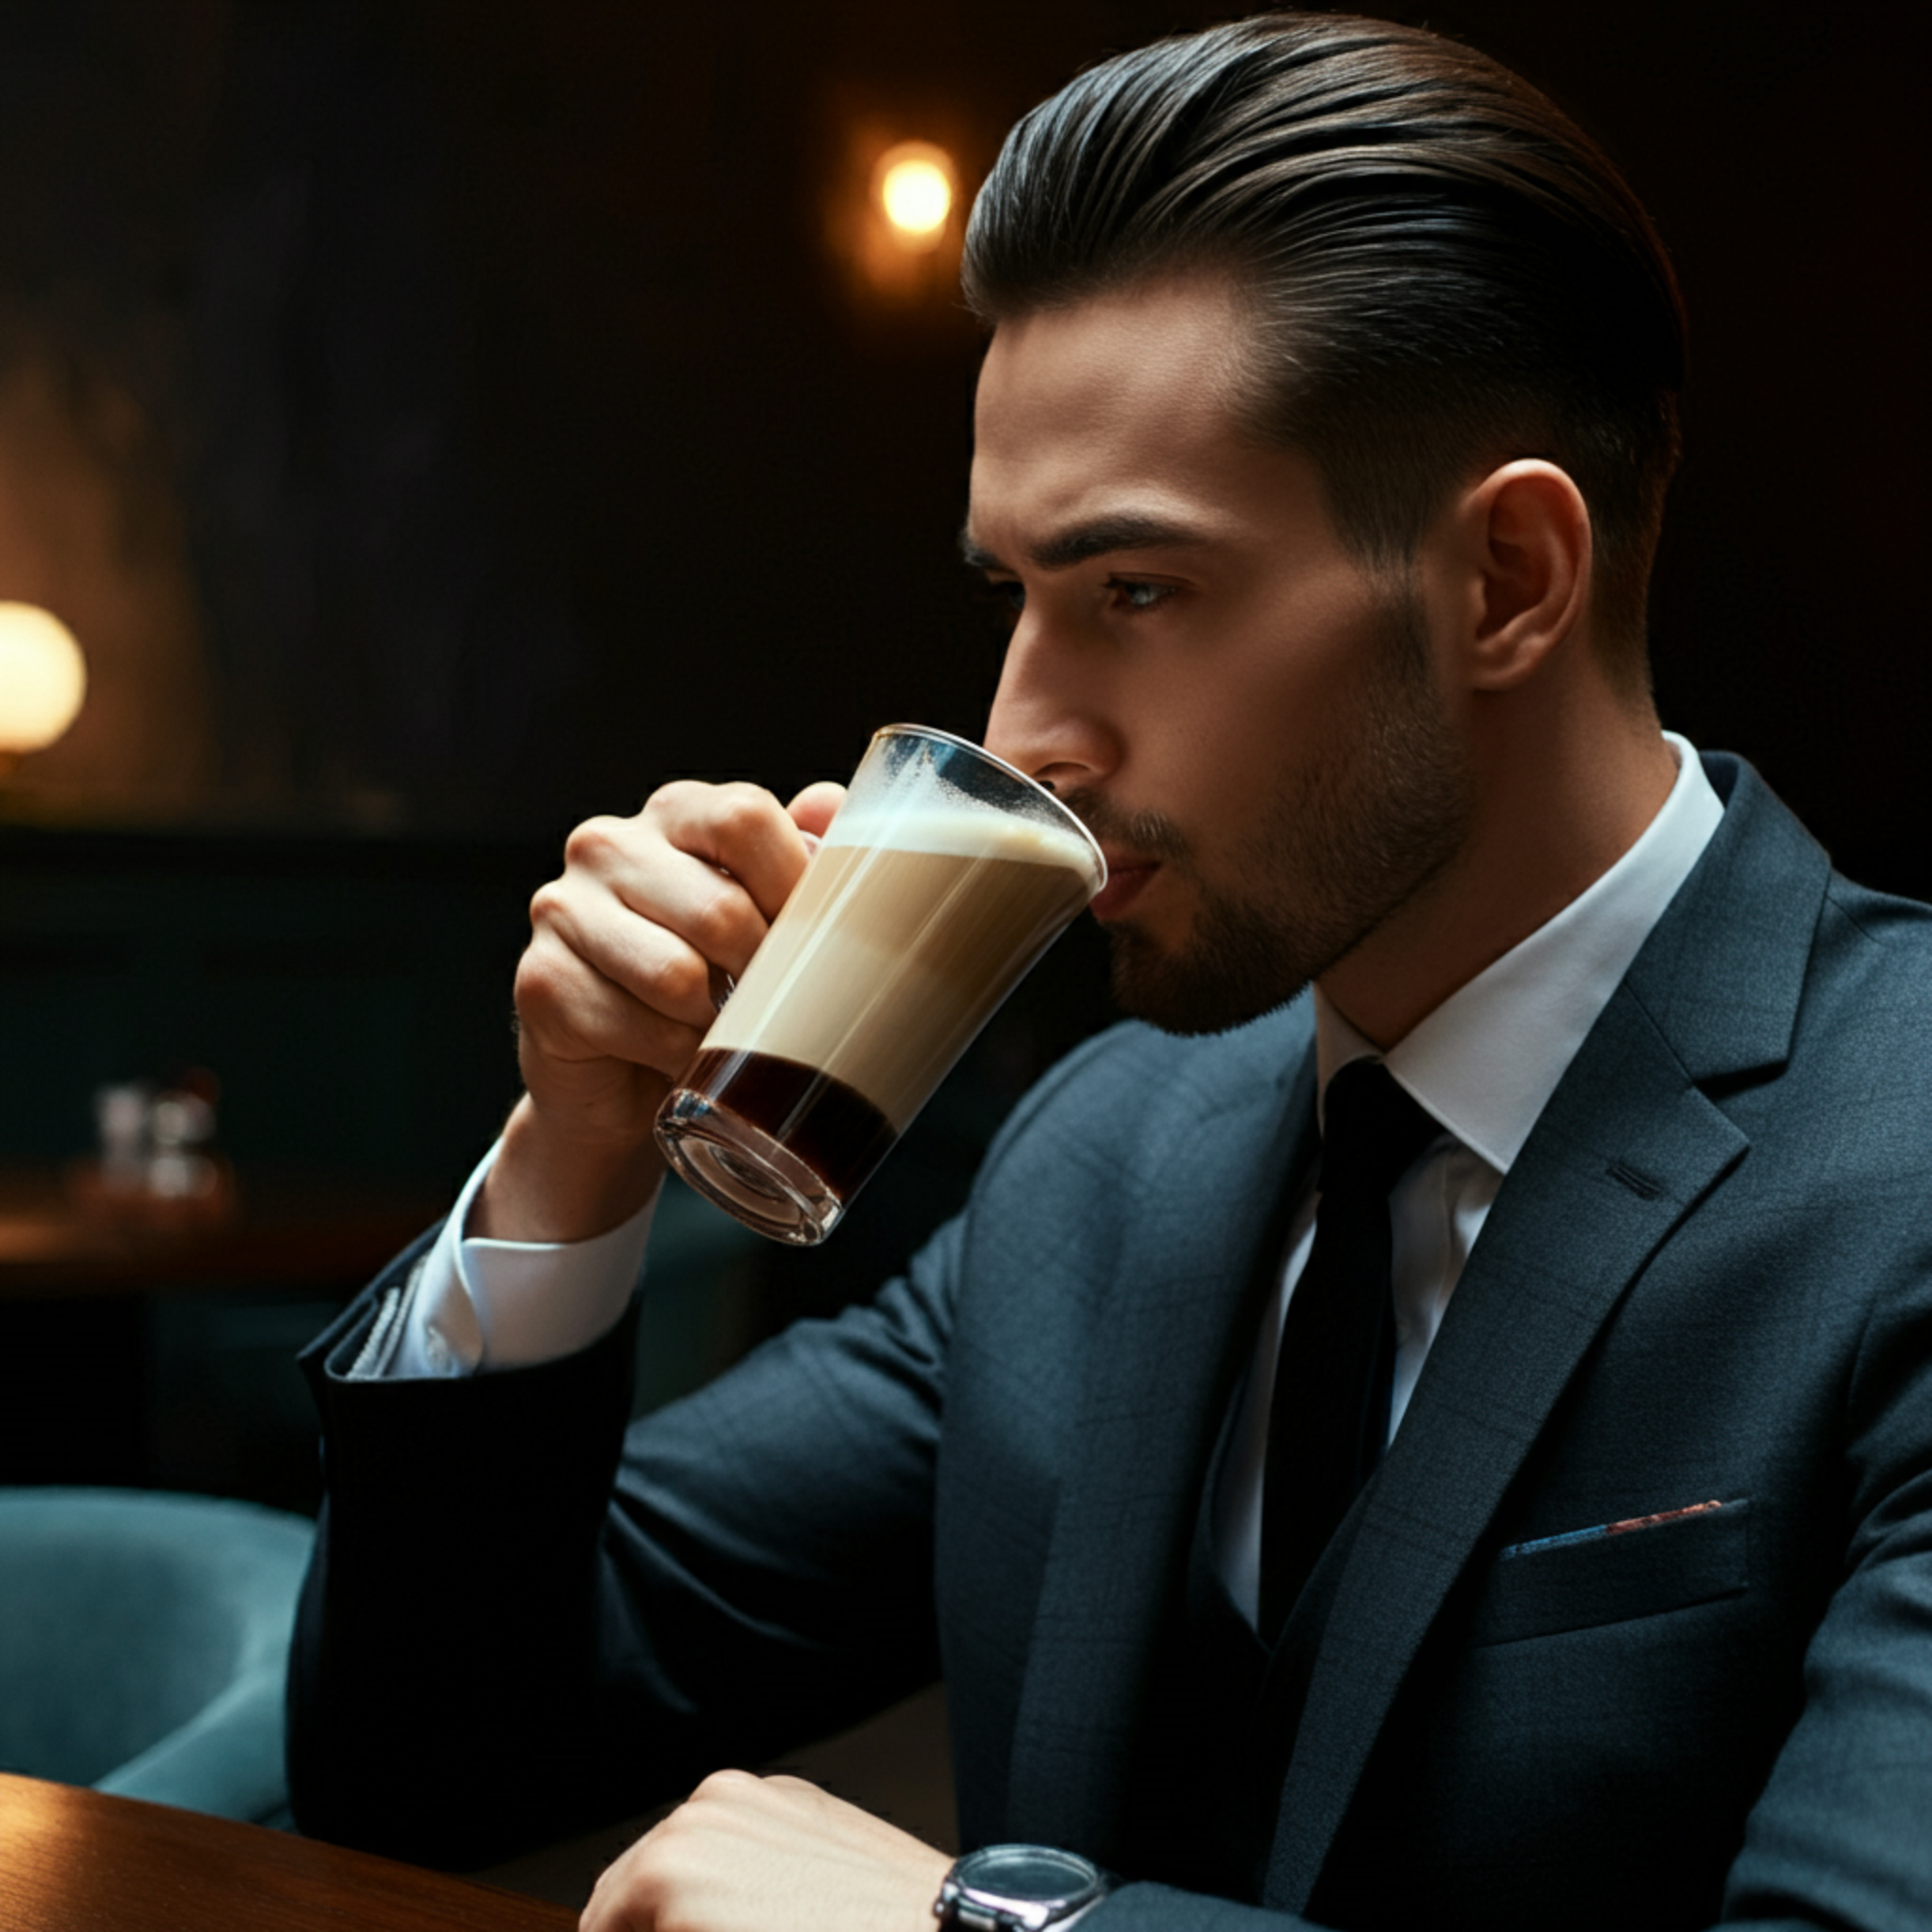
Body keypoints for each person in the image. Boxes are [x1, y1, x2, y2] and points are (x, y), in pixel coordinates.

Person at [288, 14, 1932, 1932]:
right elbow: (430, 1763)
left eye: (1135, 593)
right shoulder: (1108, 1151)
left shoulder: (1893, 1164)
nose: (1026, 732)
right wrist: (573, 1150)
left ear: (1502, 582)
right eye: (1014, 595)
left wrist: (969, 1930)